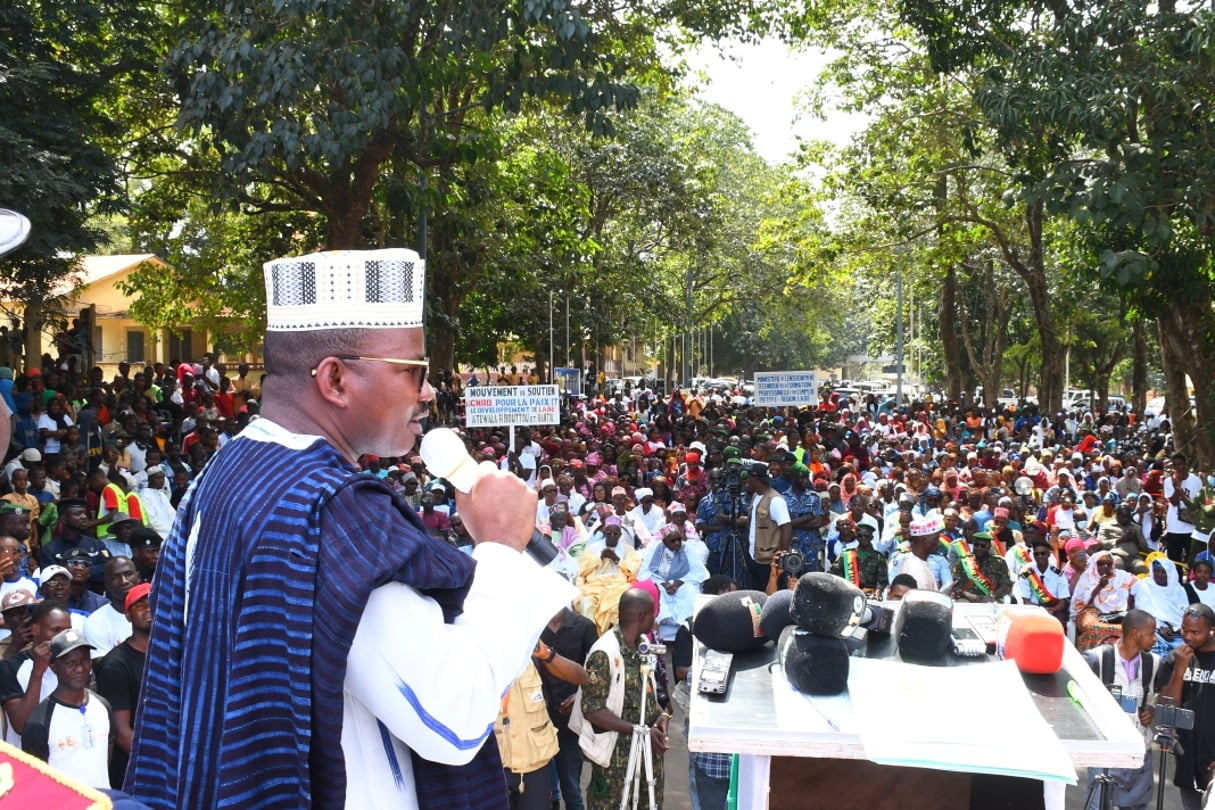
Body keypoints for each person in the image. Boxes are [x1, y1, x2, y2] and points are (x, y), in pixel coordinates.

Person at [126, 249, 576, 809]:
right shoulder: (331, 509)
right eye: (414, 371)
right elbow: (452, 715)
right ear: (335, 378)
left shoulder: (227, 471)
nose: (430, 392)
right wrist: (502, 550)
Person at [572, 588, 670, 810]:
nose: (655, 619)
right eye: (653, 615)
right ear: (643, 617)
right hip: (616, 763)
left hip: (646, 757)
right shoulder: (604, 653)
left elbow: (645, 691)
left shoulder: (643, 645)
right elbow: (592, 710)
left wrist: (661, 715)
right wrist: (637, 730)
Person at [1082, 609, 1159, 810]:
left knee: (1137, 805)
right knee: (1098, 805)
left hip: (1139, 751)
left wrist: (1151, 709)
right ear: (1136, 633)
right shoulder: (1097, 659)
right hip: (1105, 751)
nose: (1155, 638)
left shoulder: (1153, 663)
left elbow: (1162, 694)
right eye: (1151, 633)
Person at [21, 628, 111, 789]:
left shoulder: (102, 705)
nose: (80, 669)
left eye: (84, 661)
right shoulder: (39, 722)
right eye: (71, 663)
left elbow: (106, 757)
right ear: (54, 667)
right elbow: (34, 782)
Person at [1156, 603, 1215, 810]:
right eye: (1184, 630)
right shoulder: (1177, 658)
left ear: (1212, 630)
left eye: (1195, 632)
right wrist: (1179, 671)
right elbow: (1166, 710)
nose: (1188, 636)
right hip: (1187, 759)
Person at [538, 607, 598, 810]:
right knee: (542, 789)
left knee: (571, 786)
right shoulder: (534, 627)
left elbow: (597, 669)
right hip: (538, 721)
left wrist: (579, 696)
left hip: (569, 721)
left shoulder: (584, 627)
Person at [97, 581, 151, 788]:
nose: (148, 608)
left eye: (153, 602)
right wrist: (154, 766)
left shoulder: (174, 652)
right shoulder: (115, 665)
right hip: (136, 771)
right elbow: (121, 733)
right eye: (140, 605)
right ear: (127, 615)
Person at [0, 600, 71, 747]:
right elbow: (21, 725)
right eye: (56, 630)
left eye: (67, 630)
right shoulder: (10, 666)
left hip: (65, 756)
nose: (63, 636)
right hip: (27, 762)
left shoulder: (75, 663)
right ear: (36, 630)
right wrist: (37, 672)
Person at [639, 523, 709, 641]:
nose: (677, 543)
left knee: (690, 592)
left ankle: (687, 628)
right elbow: (646, 573)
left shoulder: (687, 548)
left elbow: (699, 571)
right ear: (665, 542)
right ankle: (664, 632)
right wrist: (663, 584)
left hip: (684, 582)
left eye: (678, 539)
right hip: (661, 584)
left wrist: (678, 583)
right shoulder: (656, 549)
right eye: (673, 541)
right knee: (657, 593)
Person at [1073, 550, 1136, 653]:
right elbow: (1079, 604)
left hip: (1115, 614)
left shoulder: (1121, 577)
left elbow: (1139, 585)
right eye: (1101, 564)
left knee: (1132, 631)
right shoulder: (1087, 577)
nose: (1105, 567)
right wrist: (1099, 587)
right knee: (1092, 628)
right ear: (1095, 564)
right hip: (1089, 611)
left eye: (1108, 564)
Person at [82, 556, 140, 659]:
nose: (124, 581)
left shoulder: (156, 614)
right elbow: (101, 667)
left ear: (138, 577)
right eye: (116, 577)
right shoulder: (96, 622)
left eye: (128, 574)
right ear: (106, 585)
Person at [1015, 539, 1071, 625]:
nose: (1039, 556)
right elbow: (1026, 601)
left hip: (1054, 609)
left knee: (1059, 625)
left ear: (1049, 554)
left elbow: (1062, 602)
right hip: (1033, 609)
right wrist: (1041, 611)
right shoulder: (1027, 574)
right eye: (1036, 554)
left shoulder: (1058, 574)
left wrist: (1052, 610)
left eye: (1043, 553)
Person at [950, 531, 1012, 603]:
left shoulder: (1000, 562)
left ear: (989, 546)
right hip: (967, 598)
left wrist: (992, 596)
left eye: (983, 546)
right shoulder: (964, 561)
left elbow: (1006, 586)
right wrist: (971, 597)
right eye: (976, 545)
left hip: (992, 598)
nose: (979, 548)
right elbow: (957, 585)